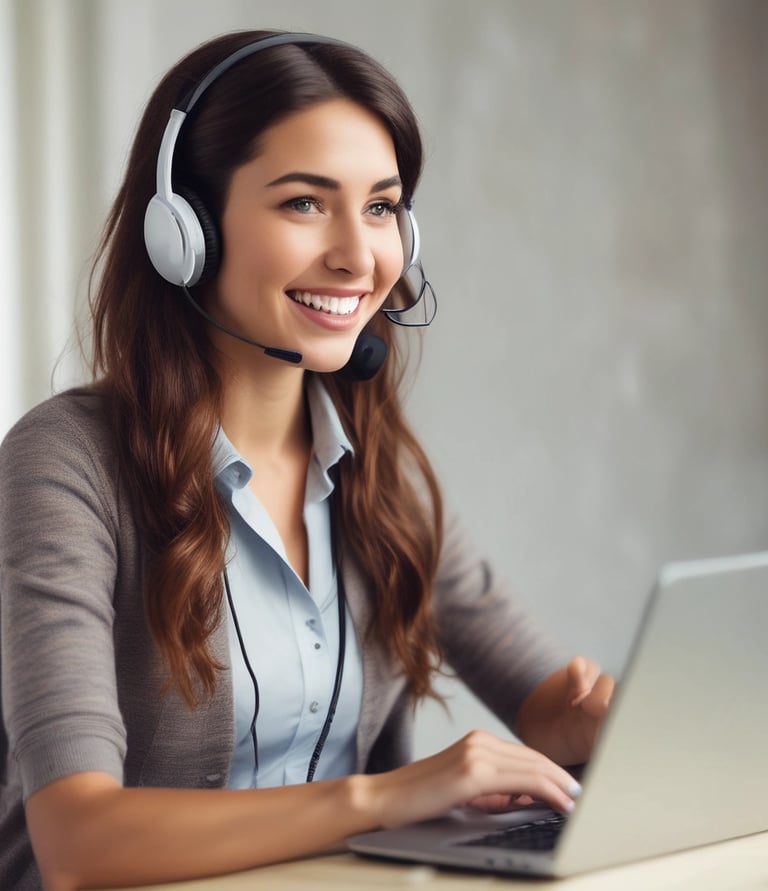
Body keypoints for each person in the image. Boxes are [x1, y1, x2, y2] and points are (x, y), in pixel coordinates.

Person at [0, 30, 614, 890]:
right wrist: (382, 797)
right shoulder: (66, 463)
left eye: (380, 207)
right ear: (185, 228)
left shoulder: (375, 470)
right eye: (304, 204)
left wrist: (592, 721)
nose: (359, 258)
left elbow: (543, 698)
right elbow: (77, 838)